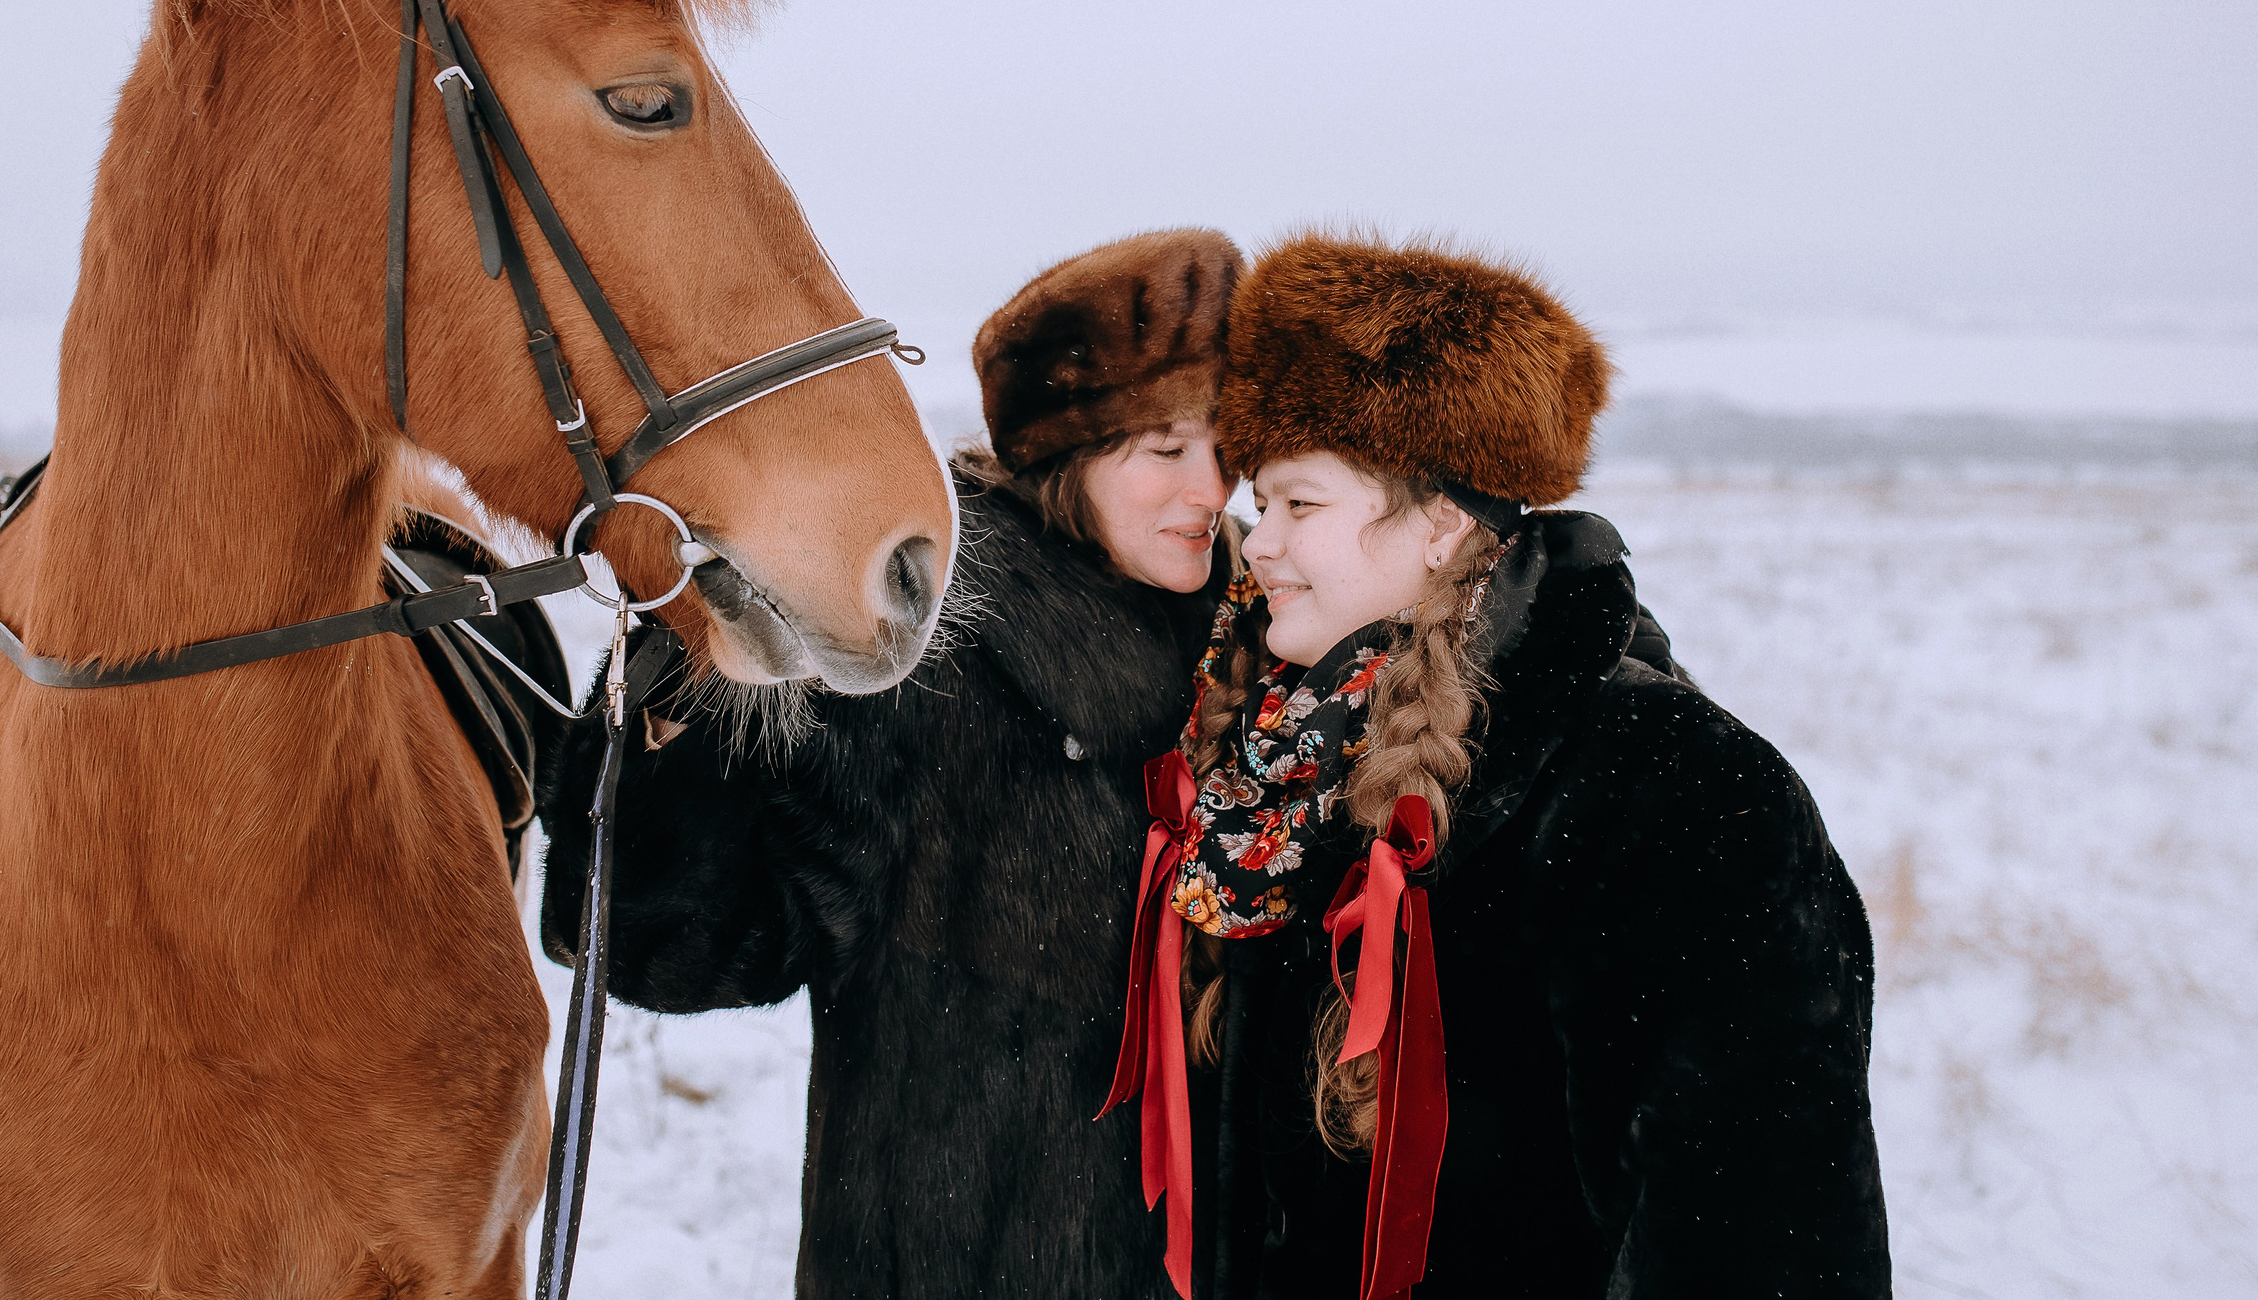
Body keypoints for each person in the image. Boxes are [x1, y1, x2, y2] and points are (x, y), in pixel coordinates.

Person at [1106, 234, 1889, 1299]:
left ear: (1439, 524)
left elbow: (1760, 1237)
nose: (1262, 543)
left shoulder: (1675, 788)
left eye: (1301, 505)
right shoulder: (1283, 761)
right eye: (1263, 505)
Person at [542, 229, 1247, 1299]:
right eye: (1164, 449)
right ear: (1061, 453)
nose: (1212, 487)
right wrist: (687, 682)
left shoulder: (1266, 643)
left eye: (1225, 444)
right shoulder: (918, 659)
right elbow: (680, 948)